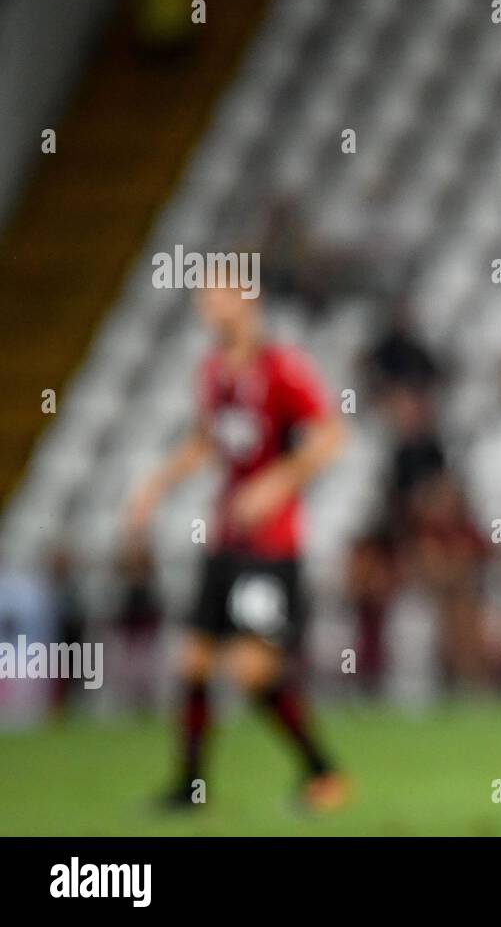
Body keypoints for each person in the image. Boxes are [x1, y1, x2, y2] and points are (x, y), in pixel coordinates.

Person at [125, 276, 348, 811]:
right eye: (204, 295)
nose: (208, 304)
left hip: (271, 548)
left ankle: (324, 774)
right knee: (194, 663)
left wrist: (276, 483)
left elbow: (331, 437)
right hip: (224, 539)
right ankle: (189, 789)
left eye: (219, 292)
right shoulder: (212, 373)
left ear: (250, 300)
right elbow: (207, 440)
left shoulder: (282, 368)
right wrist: (155, 487)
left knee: (250, 673)